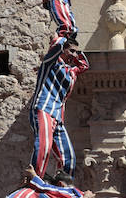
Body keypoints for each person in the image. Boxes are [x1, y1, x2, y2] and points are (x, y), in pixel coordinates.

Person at [28, 35, 88, 176]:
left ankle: (63, 186)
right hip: (43, 109)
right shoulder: (51, 63)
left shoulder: (70, 72)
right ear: (62, 50)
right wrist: (63, 36)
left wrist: (77, 54)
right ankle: (33, 180)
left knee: (69, 158)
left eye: (76, 52)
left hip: (58, 117)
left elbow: (84, 65)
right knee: (44, 145)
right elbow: (56, 47)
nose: (73, 55)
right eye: (71, 51)